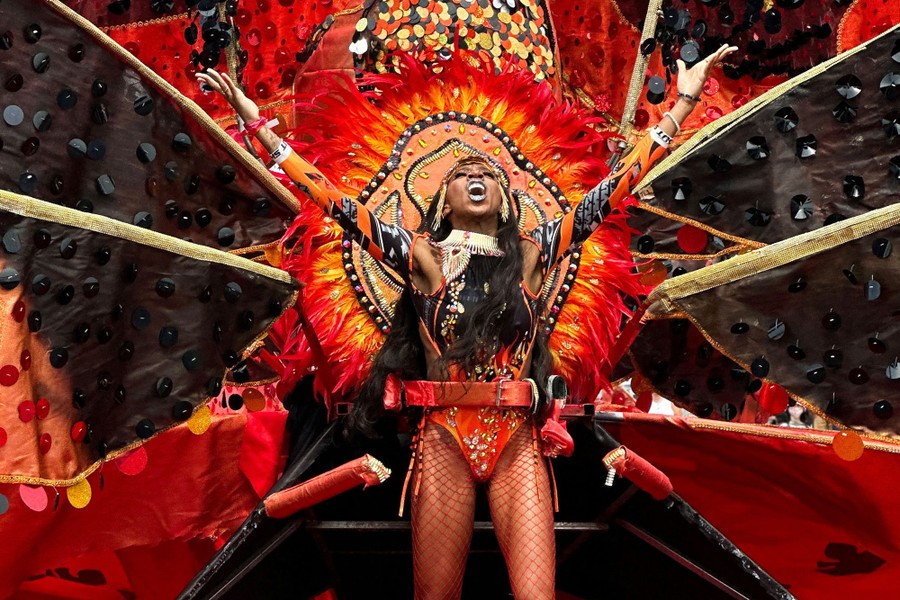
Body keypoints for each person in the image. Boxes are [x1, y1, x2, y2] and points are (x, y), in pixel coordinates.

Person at [198, 43, 734, 600]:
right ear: (443, 200)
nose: (477, 175)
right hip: (444, 437)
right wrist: (258, 126)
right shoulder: (423, 259)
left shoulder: (531, 254)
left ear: (505, 202)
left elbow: (611, 192)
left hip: (518, 441)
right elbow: (331, 201)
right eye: (462, 173)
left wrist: (680, 106)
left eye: (489, 174)